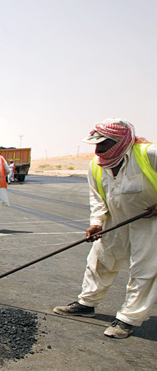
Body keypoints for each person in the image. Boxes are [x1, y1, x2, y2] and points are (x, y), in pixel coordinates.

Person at [53, 119, 157, 339]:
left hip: (149, 224)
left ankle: (127, 319)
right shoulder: (97, 164)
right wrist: (97, 222)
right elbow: (98, 197)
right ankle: (86, 304)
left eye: (103, 144)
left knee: (143, 270)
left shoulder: (149, 154)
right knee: (99, 261)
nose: (98, 149)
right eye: (96, 144)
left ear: (120, 142)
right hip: (115, 221)